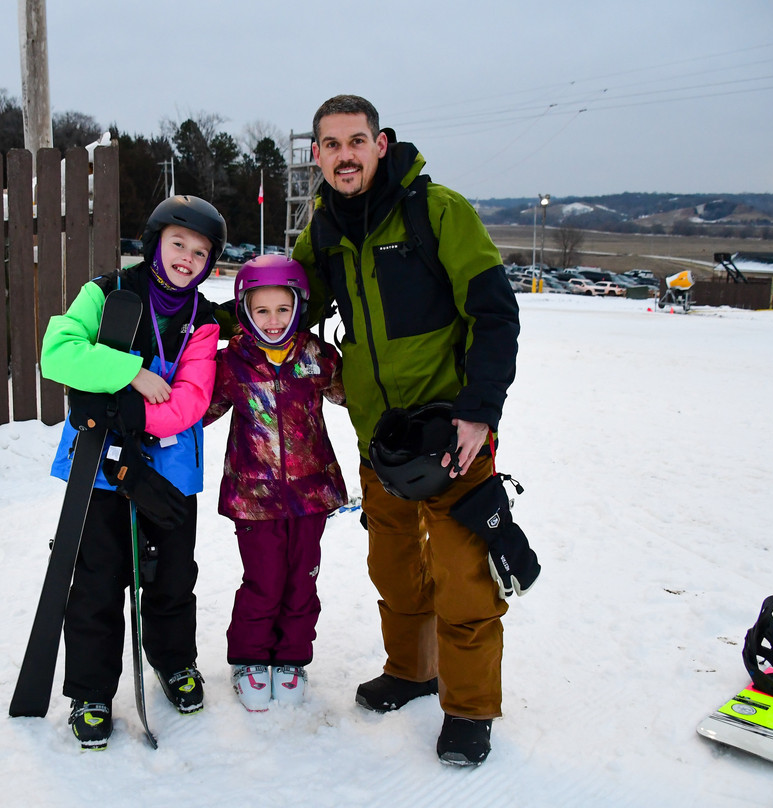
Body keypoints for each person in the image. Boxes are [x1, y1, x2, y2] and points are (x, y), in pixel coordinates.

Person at [290, 94, 521, 766]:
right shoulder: (326, 228)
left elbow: (494, 313)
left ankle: (470, 709)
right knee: (394, 569)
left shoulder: (436, 210)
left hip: (453, 436)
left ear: (380, 144)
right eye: (331, 145)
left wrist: (479, 411)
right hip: (378, 441)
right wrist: (197, 315)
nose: (345, 156)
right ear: (317, 156)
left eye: (356, 141)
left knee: (463, 576)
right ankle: (413, 671)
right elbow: (288, 301)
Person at [39, 195, 226, 750]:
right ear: (154, 242)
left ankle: (173, 662)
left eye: (200, 252)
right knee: (97, 581)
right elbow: (59, 353)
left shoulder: (204, 321)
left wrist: (121, 405)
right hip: (100, 471)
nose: (187, 258)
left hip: (168, 472)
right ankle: (91, 691)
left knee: (170, 577)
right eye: (178, 244)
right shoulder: (106, 293)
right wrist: (133, 372)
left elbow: (191, 400)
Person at [203, 255, 347, 712]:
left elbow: (356, 395)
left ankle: (292, 657)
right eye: (261, 310)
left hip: (311, 494)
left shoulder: (318, 357)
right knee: (264, 580)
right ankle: (248, 657)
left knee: (302, 579)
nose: (272, 320)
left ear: (298, 308)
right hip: (254, 497)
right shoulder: (232, 363)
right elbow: (200, 410)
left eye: (282, 309)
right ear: (244, 310)